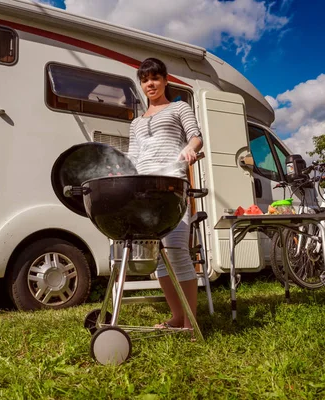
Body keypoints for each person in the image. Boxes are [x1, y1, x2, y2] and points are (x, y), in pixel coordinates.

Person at [127, 57, 204, 330]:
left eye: (155, 78)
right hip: (144, 191)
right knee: (157, 255)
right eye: (145, 79)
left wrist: (190, 149)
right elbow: (133, 157)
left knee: (177, 251)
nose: (151, 84)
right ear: (141, 84)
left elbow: (196, 136)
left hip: (171, 185)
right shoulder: (136, 123)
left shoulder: (179, 107)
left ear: (165, 80)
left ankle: (190, 322)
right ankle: (177, 317)